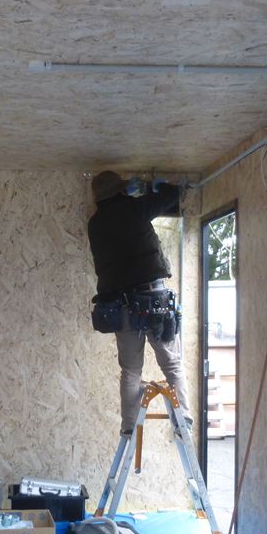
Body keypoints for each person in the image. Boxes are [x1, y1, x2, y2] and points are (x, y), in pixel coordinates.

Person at [87, 171, 190, 435]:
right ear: (120, 191)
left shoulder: (94, 224)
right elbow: (173, 194)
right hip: (152, 299)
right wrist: (152, 188)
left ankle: (129, 428)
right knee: (172, 364)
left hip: (120, 306)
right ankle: (184, 423)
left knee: (131, 371)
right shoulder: (134, 208)